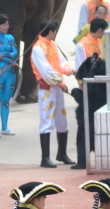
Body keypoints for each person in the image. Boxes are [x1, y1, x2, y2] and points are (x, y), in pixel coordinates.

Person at [31, 19, 75, 168]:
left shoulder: (53, 44)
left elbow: (61, 62)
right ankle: (45, 158)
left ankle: (62, 154)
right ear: (51, 32)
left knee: (61, 120)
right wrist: (61, 83)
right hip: (47, 89)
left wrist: (68, 68)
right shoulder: (38, 48)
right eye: (55, 31)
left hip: (57, 87)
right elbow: (46, 70)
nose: (55, 33)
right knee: (47, 120)